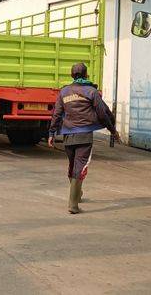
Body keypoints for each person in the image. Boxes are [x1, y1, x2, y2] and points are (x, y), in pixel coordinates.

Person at [48, 62, 120, 214]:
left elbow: (56, 114)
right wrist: (112, 130)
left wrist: (51, 133)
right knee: (80, 167)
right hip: (84, 136)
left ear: (71, 75)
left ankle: (77, 195)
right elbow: (102, 113)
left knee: (73, 165)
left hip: (67, 135)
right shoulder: (91, 92)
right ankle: (73, 205)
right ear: (86, 75)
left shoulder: (64, 92)